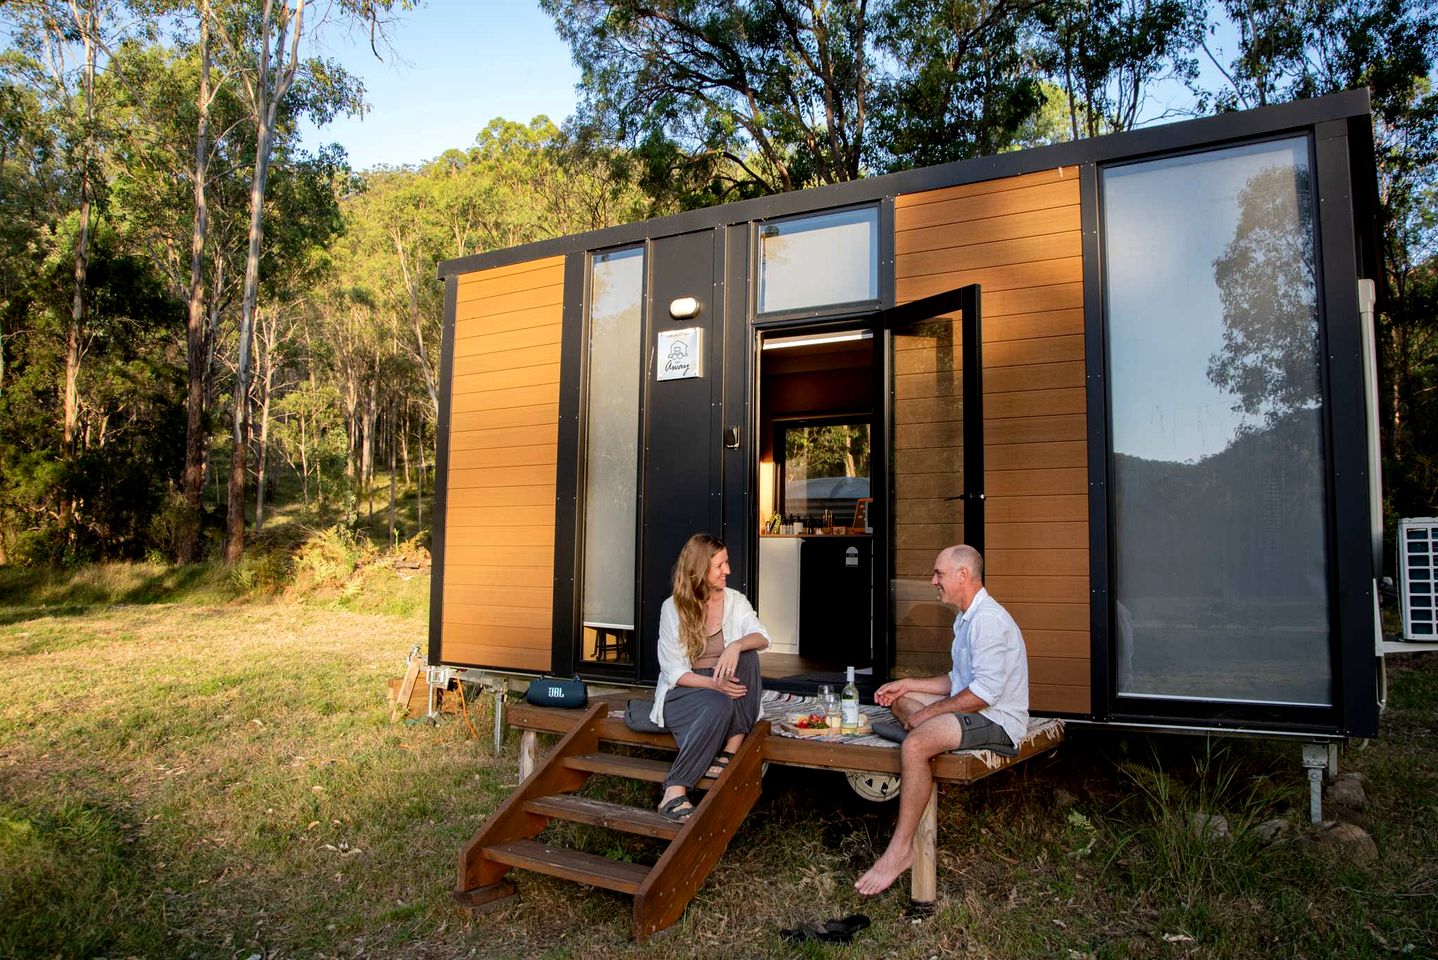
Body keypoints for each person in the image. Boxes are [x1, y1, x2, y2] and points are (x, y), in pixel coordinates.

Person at [855, 544, 1029, 895]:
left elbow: (982, 694)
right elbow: (957, 681)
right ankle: (914, 726)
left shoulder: (988, 621)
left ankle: (899, 851)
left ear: (963, 575)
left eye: (939, 574)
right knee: (901, 700)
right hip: (972, 706)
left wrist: (927, 714)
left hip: (997, 719)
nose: (933, 581)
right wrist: (908, 685)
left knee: (917, 744)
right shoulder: (965, 618)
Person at [651, 533, 770, 822]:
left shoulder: (735, 601)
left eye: (726, 563)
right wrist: (714, 685)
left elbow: (763, 636)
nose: (727, 570)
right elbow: (674, 672)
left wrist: (735, 645)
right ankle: (674, 790)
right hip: (689, 689)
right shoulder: (673, 608)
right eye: (720, 565)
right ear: (699, 569)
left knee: (749, 656)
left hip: (726, 683)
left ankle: (731, 747)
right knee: (719, 704)